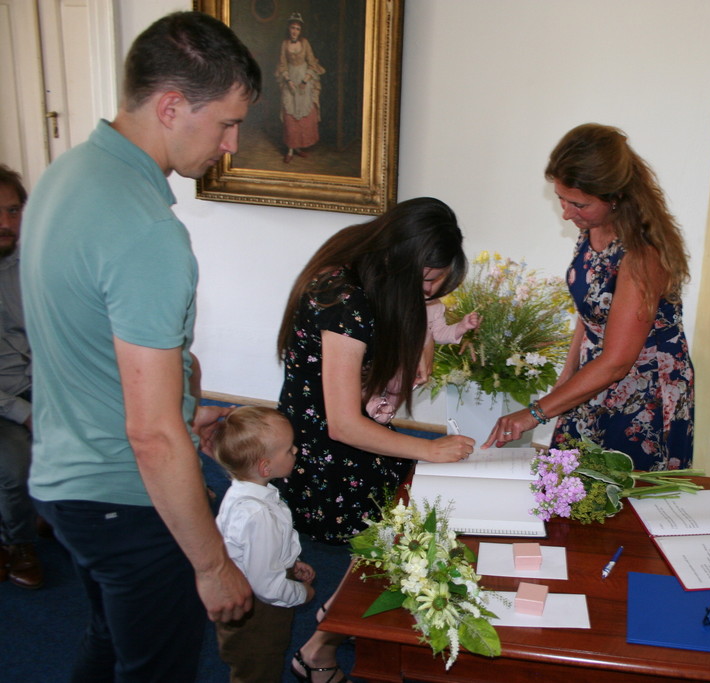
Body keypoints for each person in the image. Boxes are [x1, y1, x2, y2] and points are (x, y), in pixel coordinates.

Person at [19, 12, 261, 682]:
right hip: (124, 495)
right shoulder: (147, 229)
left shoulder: (64, 175)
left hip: (62, 476)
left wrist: (182, 407)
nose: (232, 144)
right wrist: (212, 564)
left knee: (109, 642)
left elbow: (80, 340)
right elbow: (151, 435)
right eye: (226, 123)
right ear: (172, 106)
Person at [276, 196, 476, 682]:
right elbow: (342, 424)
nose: (429, 292)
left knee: (397, 534)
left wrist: (424, 344)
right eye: (426, 281)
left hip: (351, 436)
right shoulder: (344, 299)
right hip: (328, 451)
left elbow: (419, 314)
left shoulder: (365, 263)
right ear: (401, 258)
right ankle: (320, 647)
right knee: (398, 536)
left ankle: (331, 627)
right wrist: (427, 449)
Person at [483, 123, 695, 471]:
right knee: (568, 480)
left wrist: (536, 412)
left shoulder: (642, 255)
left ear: (615, 198)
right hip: (595, 375)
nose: (566, 213)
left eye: (579, 204)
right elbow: (591, 312)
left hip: (642, 393)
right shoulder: (592, 228)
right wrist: (565, 380)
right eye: (561, 199)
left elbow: (617, 362)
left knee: (620, 489)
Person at [211, 407, 315, 683]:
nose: (295, 451)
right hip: (258, 611)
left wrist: (291, 562)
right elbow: (267, 586)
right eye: (289, 449)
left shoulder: (244, 493)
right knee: (259, 664)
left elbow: (257, 551)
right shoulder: (257, 515)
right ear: (265, 467)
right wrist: (301, 593)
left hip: (249, 590)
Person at [0, 164, 42, 589]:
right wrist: (23, 412)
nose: (5, 223)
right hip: (3, 399)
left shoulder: (31, 261)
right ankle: (18, 543)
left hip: (38, 383)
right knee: (14, 465)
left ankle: (55, 509)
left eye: (13, 211)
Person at [365, 300, 481, 424]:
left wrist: (461, 327)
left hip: (411, 362)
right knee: (375, 377)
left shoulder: (436, 306)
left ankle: (386, 410)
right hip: (391, 352)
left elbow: (439, 333)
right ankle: (372, 400)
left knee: (400, 385)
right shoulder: (402, 300)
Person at [276, 12, 325, 163]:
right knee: (290, 115)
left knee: (304, 115)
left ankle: (298, 148)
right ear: (288, 29)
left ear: (300, 30)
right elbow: (282, 64)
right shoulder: (284, 44)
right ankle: (290, 149)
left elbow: (312, 63)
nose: (294, 31)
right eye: (292, 28)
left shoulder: (305, 43)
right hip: (290, 79)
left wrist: (305, 80)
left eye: (297, 28)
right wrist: (288, 80)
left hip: (304, 79)